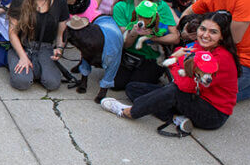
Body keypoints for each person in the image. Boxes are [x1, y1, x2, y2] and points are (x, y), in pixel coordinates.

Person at [100, 12, 239, 134]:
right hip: (193, 97)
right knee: (134, 88)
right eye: (203, 29)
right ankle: (176, 118)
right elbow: (179, 75)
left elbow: (182, 85)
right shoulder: (200, 47)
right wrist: (176, 59)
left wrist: (176, 60)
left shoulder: (220, 58)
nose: (205, 35)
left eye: (213, 32)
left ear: (222, 36)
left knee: (172, 91)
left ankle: (129, 112)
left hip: (212, 114)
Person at [112, 0, 180, 90]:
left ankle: (154, 77)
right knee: (117, 84)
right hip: (129, 54)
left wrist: (153, 38)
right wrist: (134, 33)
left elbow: (175, 38)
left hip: (153, 56)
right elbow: (124, 44)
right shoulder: (121, 6)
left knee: (133, 86)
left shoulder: (160, 6)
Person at [7, 0, 69, 91]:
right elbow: (12, 33)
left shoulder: (60, 2)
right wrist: (23, 56)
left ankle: (37, 70)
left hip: (45, 48)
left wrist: (59, 48)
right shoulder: (20, 0)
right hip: (23, 45)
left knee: (52, 83)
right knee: (22, 82)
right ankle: (21, 64)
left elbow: (61, 33)